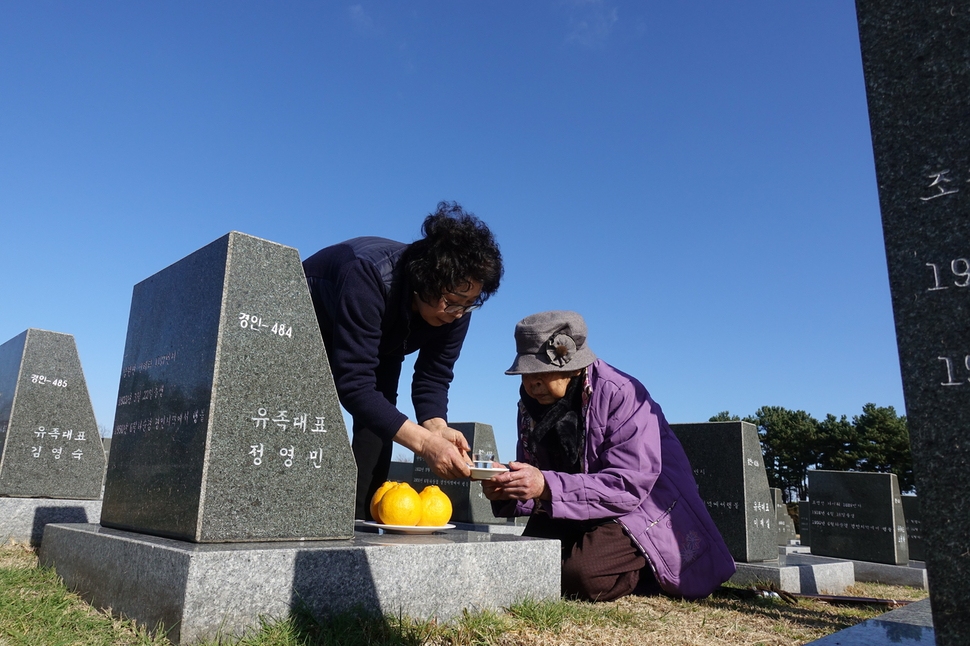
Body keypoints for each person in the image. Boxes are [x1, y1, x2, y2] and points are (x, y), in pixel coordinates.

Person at [482, 310, 735, 601]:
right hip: (575, 505)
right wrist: (508, 488)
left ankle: (653, 571)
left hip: (641, 509)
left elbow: (628, 484)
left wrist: (546, 486)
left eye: (540, 372)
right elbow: (537, 478)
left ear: (573, 365)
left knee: (581, 574)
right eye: (526, 373)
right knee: (526, 563)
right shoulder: (530, 407)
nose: (532, 383)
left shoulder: (622, 393)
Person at [303, 202, 503, 519]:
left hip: (385, 340)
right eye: (451, 302)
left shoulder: (457, 309)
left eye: (469, 303)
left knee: (379, 422)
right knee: (306, 414)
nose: (458, 312)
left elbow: (434, 377)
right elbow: (354, 385)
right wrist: (424, 445)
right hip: (309, 323)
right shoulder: (368, 274)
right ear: (424, 278)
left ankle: (361, 520)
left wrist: (436, 427)